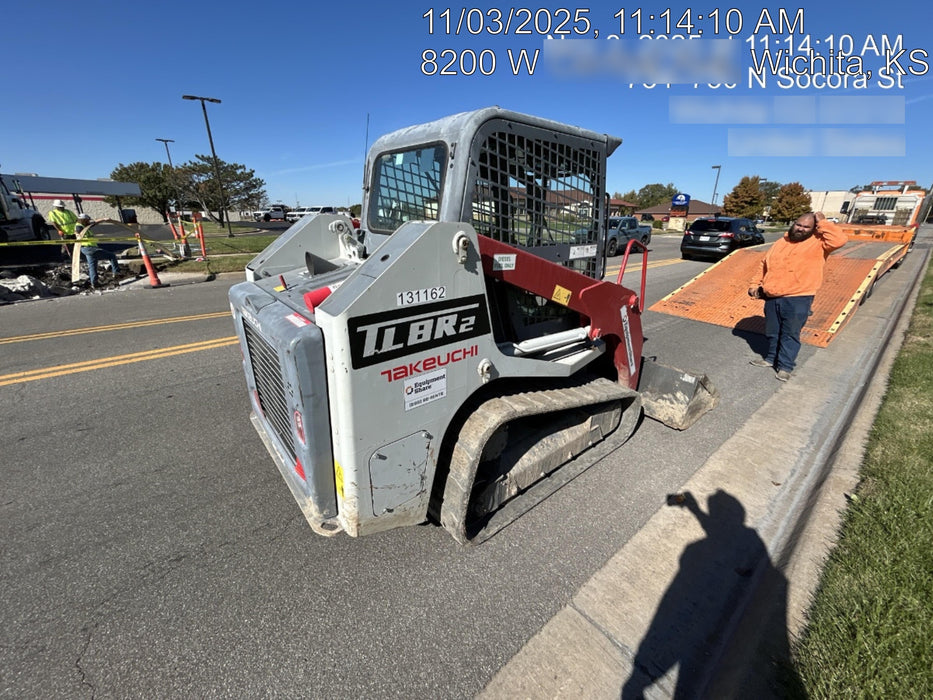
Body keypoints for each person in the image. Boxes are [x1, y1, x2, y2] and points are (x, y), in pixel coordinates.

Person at [748, 211, 847, 381]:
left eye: (806, 227)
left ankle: (785, 366)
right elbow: (764, 264)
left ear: (813, 228)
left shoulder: (819, 242)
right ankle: (771, 359)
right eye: (798, 224)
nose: (800, 229)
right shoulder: (782, 241)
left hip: (799, 297)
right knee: (773, 331)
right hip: (772, 295)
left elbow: (839, 240)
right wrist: (755, 284)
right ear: (793, 223)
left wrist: (822, 222)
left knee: (790, 333)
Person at [75, 214, 121, 287]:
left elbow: (94, 222)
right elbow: (78, 232)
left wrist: (103, 219)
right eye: (87, 220)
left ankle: (94, 282)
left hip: (87, 248)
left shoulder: (84, 225)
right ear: (83, 220)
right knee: (111, 256)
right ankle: (116, 273)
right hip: (90, 248)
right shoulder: (79, 226)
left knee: (92, 266)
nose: (88, 221)